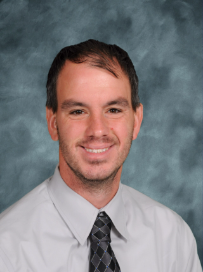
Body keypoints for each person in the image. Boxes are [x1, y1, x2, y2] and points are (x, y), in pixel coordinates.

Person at [0, 39, 201, 272]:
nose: (97, 130)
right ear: (53, 123)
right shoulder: (7, 249)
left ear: (136, 121)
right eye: (78, 111)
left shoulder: (172, 238)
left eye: (113, 110)